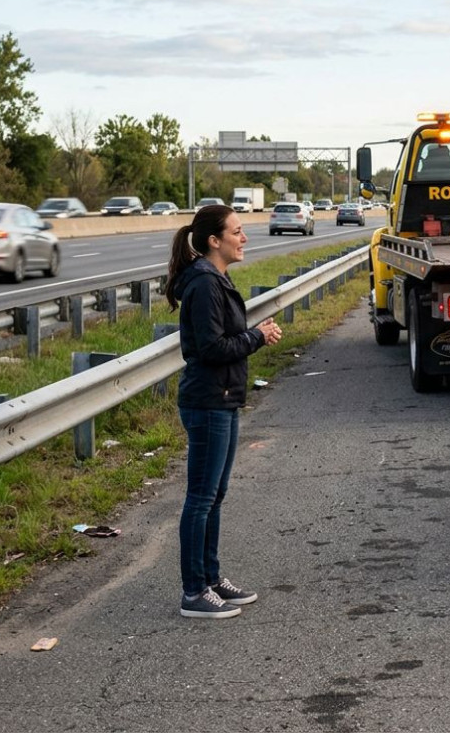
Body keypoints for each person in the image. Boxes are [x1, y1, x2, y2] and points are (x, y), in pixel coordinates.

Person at [163, 204, 283, 618]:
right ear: (214, 241)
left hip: (224, 397)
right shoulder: (204, 284)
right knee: (200, 498)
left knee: (215, 496)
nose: (243, 238)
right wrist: (256, 336)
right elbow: (211, 348)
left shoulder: (216, 278)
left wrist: (252, 335)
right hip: (208, 401)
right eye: (236, 231)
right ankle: (193, 592)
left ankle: (211, 579)